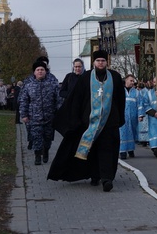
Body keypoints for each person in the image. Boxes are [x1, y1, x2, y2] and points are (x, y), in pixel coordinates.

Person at [48, 50, 125, 192]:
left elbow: (121, 99)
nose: (100, 63)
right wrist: (76, 119)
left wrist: (121, 117)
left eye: (103, 60)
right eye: (98, 61)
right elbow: (77, 99)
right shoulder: (86, 77)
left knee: (108, 150)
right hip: (89, 122)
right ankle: (95, 175)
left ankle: (107, 178)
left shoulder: (115, 76)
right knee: (93, 150)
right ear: (94, 62)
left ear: (107, 62)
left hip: (109, 121)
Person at [19, 61, 60, 165]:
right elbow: (24, 101)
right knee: (36, 137)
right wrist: (24, 115)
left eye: (42, 69)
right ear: (34, 72)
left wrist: (59, 113)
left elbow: (59, 100)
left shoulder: (52, 84)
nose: (40, 71)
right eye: (38, 70)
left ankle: (45, 151)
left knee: (48, 138)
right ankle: (37, 156)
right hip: (34, 117)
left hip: (49, 117)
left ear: (46, 71)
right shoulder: (28, 85)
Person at [119, 74, 142, 160]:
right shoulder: (120, 91)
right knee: (122, 134)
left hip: (133, 116)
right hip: (122, 116)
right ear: (126, 80)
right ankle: (122, 152)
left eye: (133, 81)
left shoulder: (136, 92)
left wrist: (140, 115)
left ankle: (131, 149)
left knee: (132, 133)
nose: (132, 82)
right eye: (131, 80)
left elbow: (140, 104)